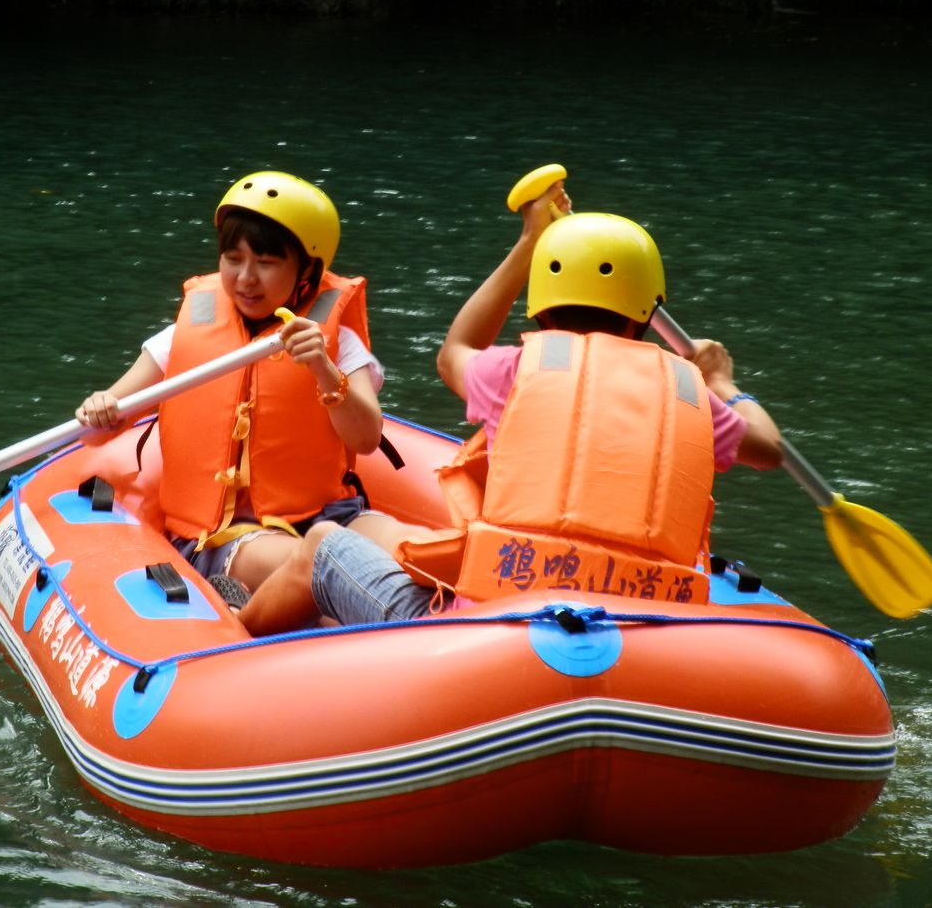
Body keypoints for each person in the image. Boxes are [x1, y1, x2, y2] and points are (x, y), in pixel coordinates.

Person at [237, 178, 783, 635]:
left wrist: (526, 245)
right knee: (371, 527)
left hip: (497, 628)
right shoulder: (687, 393)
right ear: (647, 312)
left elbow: (453, 352)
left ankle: (229, 635)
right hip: (643, 623)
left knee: (325, 542)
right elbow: (768, 448)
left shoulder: (515, 371)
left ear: (541, 310)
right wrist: (724, 382)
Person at [75, 170, 397, 595]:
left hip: (331, 514)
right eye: (233, 259)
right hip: (225, 536)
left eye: (265, 263)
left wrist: (323, 369)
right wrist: (99, 407)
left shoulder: (336, 343)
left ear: (307, 270)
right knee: (322, 559)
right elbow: (97, 434)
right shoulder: (184, 336)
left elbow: (365, 438)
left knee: (410, 549)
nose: (245, 278)